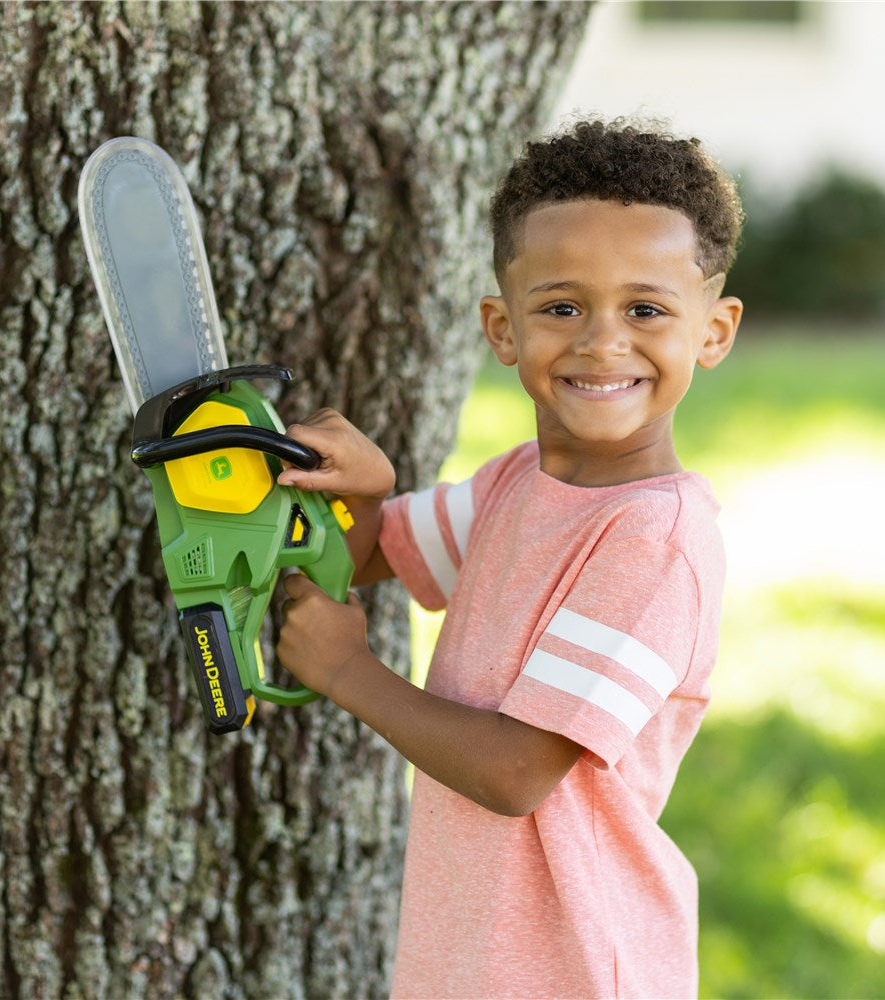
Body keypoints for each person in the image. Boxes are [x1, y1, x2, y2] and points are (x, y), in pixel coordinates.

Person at [275, 117, 744, 999]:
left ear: (713, 332)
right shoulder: (516, 486)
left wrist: (348, 672)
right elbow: (368, 560)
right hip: (474, 956)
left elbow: (516, 771)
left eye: (645, 309)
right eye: (561, 307)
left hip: (574, 965)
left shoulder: (655, 542)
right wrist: (366, 495)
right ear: (502, 327)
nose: (602, 341)